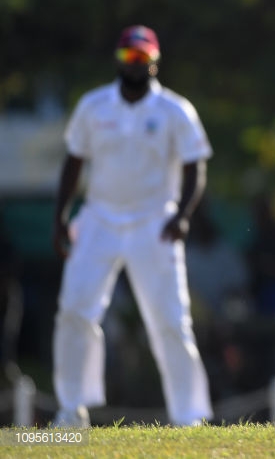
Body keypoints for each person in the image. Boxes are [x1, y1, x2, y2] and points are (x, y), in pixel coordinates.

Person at [50, 25, 213, 428]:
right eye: (128, 57)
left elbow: (195, 167)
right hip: (99, 218)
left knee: (170, 320)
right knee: (74, 311)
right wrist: (61, 217)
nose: (135, 65)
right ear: (118, 60)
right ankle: (71, 410)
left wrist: (182, 215)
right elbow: (74, 162)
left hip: (154, 222)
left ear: (155, 62)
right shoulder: (94, 106)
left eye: (142, 58)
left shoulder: (175, 110)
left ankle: (189, 417)